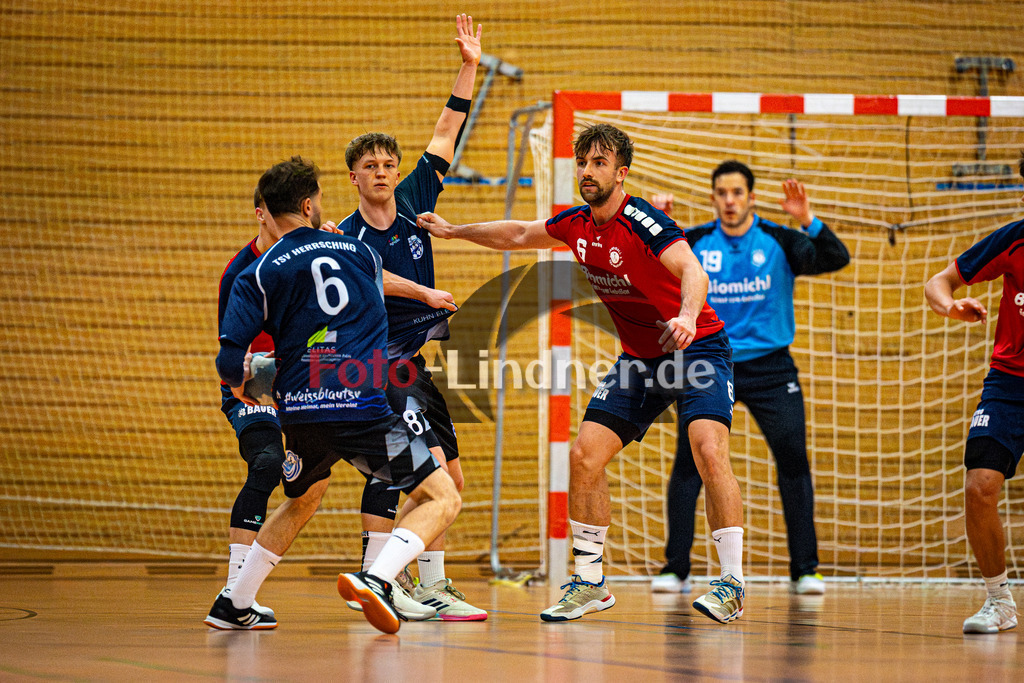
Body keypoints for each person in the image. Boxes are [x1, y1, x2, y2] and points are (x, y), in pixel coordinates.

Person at [417, 123, 748, 624]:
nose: (587, 171)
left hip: (696, 347)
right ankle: (590, 583)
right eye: (582, 162)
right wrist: (453, 230)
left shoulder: (645, 222)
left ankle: (731, 583)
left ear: (622, 172)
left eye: (598, 163)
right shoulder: (577, 223)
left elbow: (692, 270)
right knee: (584, 455)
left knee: (707, 448)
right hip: (641, 359)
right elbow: (520, 234)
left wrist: (685, 314)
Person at [204, 156, 461, 635]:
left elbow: (228, 362)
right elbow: (377, 320)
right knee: (442, 495)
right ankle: (380, 579)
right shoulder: (358, 252)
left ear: (268, 210)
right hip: (360, 406)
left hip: (299, 412)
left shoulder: (255, 273)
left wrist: (246, 390)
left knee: (304, 497)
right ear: (308, 205)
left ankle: (235, 601)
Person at [338, 13, 486, 621]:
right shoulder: (341, 237)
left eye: (388, 164)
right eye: (370, 166)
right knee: (411, 476)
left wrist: (470, 66)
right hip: (375, 368)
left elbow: (447, 130)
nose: (382, 172)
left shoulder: (416, 200)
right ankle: (383, 581)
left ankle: (426, 584)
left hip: (414, 367)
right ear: (353, 177)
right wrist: (424, 296)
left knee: (447, 475)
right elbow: (370, 274)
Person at [648, 161, 850, 596]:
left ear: (751, 197)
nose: (730, 201)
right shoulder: (695, 241)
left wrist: (806, 219)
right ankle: (675, 567)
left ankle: (806, 569)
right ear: (713, 198)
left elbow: (837, 258)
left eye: (737, 193)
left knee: (793, 458)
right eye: (722, 193)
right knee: (691, 463)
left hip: (772, 369)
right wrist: (661, 222)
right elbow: (651, 268)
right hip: (711, 364)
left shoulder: (779, 239)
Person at [925, 152, 1024, 634]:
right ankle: (999, 600)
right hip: (1010, 383)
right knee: (979, 486)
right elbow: (937, 282)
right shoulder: (1014, 239)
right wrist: (950, 306)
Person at [212, 189, 288, 619]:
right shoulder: (241, 272)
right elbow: (230, 355)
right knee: (265, 462)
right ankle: (234, 593)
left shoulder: (306, 256)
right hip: (254, 381)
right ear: (260, 216)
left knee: (383, 454)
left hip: (302, 381)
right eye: (277, 215)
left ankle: (385, 576)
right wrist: (250, 376)